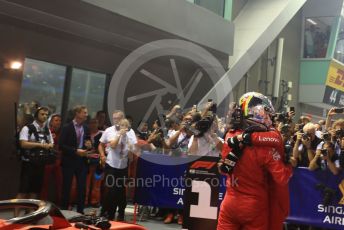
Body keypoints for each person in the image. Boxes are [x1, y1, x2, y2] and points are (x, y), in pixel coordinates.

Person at [217, 92, 293, 230]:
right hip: (254, 206)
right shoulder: (266, 147)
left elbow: (224, 168)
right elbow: (282, 177)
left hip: (229, 202)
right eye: (267, 113)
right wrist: (289, 163)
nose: (269, 118)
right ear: (255, 111)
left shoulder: (230, 135)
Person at [99, 111, 137, 221]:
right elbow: (107, 145)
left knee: (120, 191)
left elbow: (133, 150)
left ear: (123, 119)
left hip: (123, 166)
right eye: (114, 118)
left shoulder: (131, 132)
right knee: (111, 190)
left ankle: (120, 212)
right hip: (111, 164)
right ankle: (108, 213)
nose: (116, 120)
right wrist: (102, 155)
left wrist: (130, 146)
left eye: (118, 118)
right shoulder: (109, 131)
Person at [16, 107, 54, 202]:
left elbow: (51, 144)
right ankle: (16, 215)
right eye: (42, 114)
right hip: (28, 163)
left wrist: (48, 146)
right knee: (23, 191)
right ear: (36, 115)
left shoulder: (47, 130)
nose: (45, 116)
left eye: (46, 114)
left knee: (35, 191)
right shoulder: (27, 128)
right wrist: (40, 145)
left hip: (41, 163)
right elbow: (23, 144)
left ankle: (30, 214)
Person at [59, 105, 90, 214]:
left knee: (82, 188)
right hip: (69, 160)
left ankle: (80, 212)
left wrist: (88, 145)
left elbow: (88, 142)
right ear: (77, 113)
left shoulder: (86, 127)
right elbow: (61, 145)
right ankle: (64, 211)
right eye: (84, 112)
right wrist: (75, 150)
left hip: (82, 161)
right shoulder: (67, 127)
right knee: (66, 187)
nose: (86, 115)